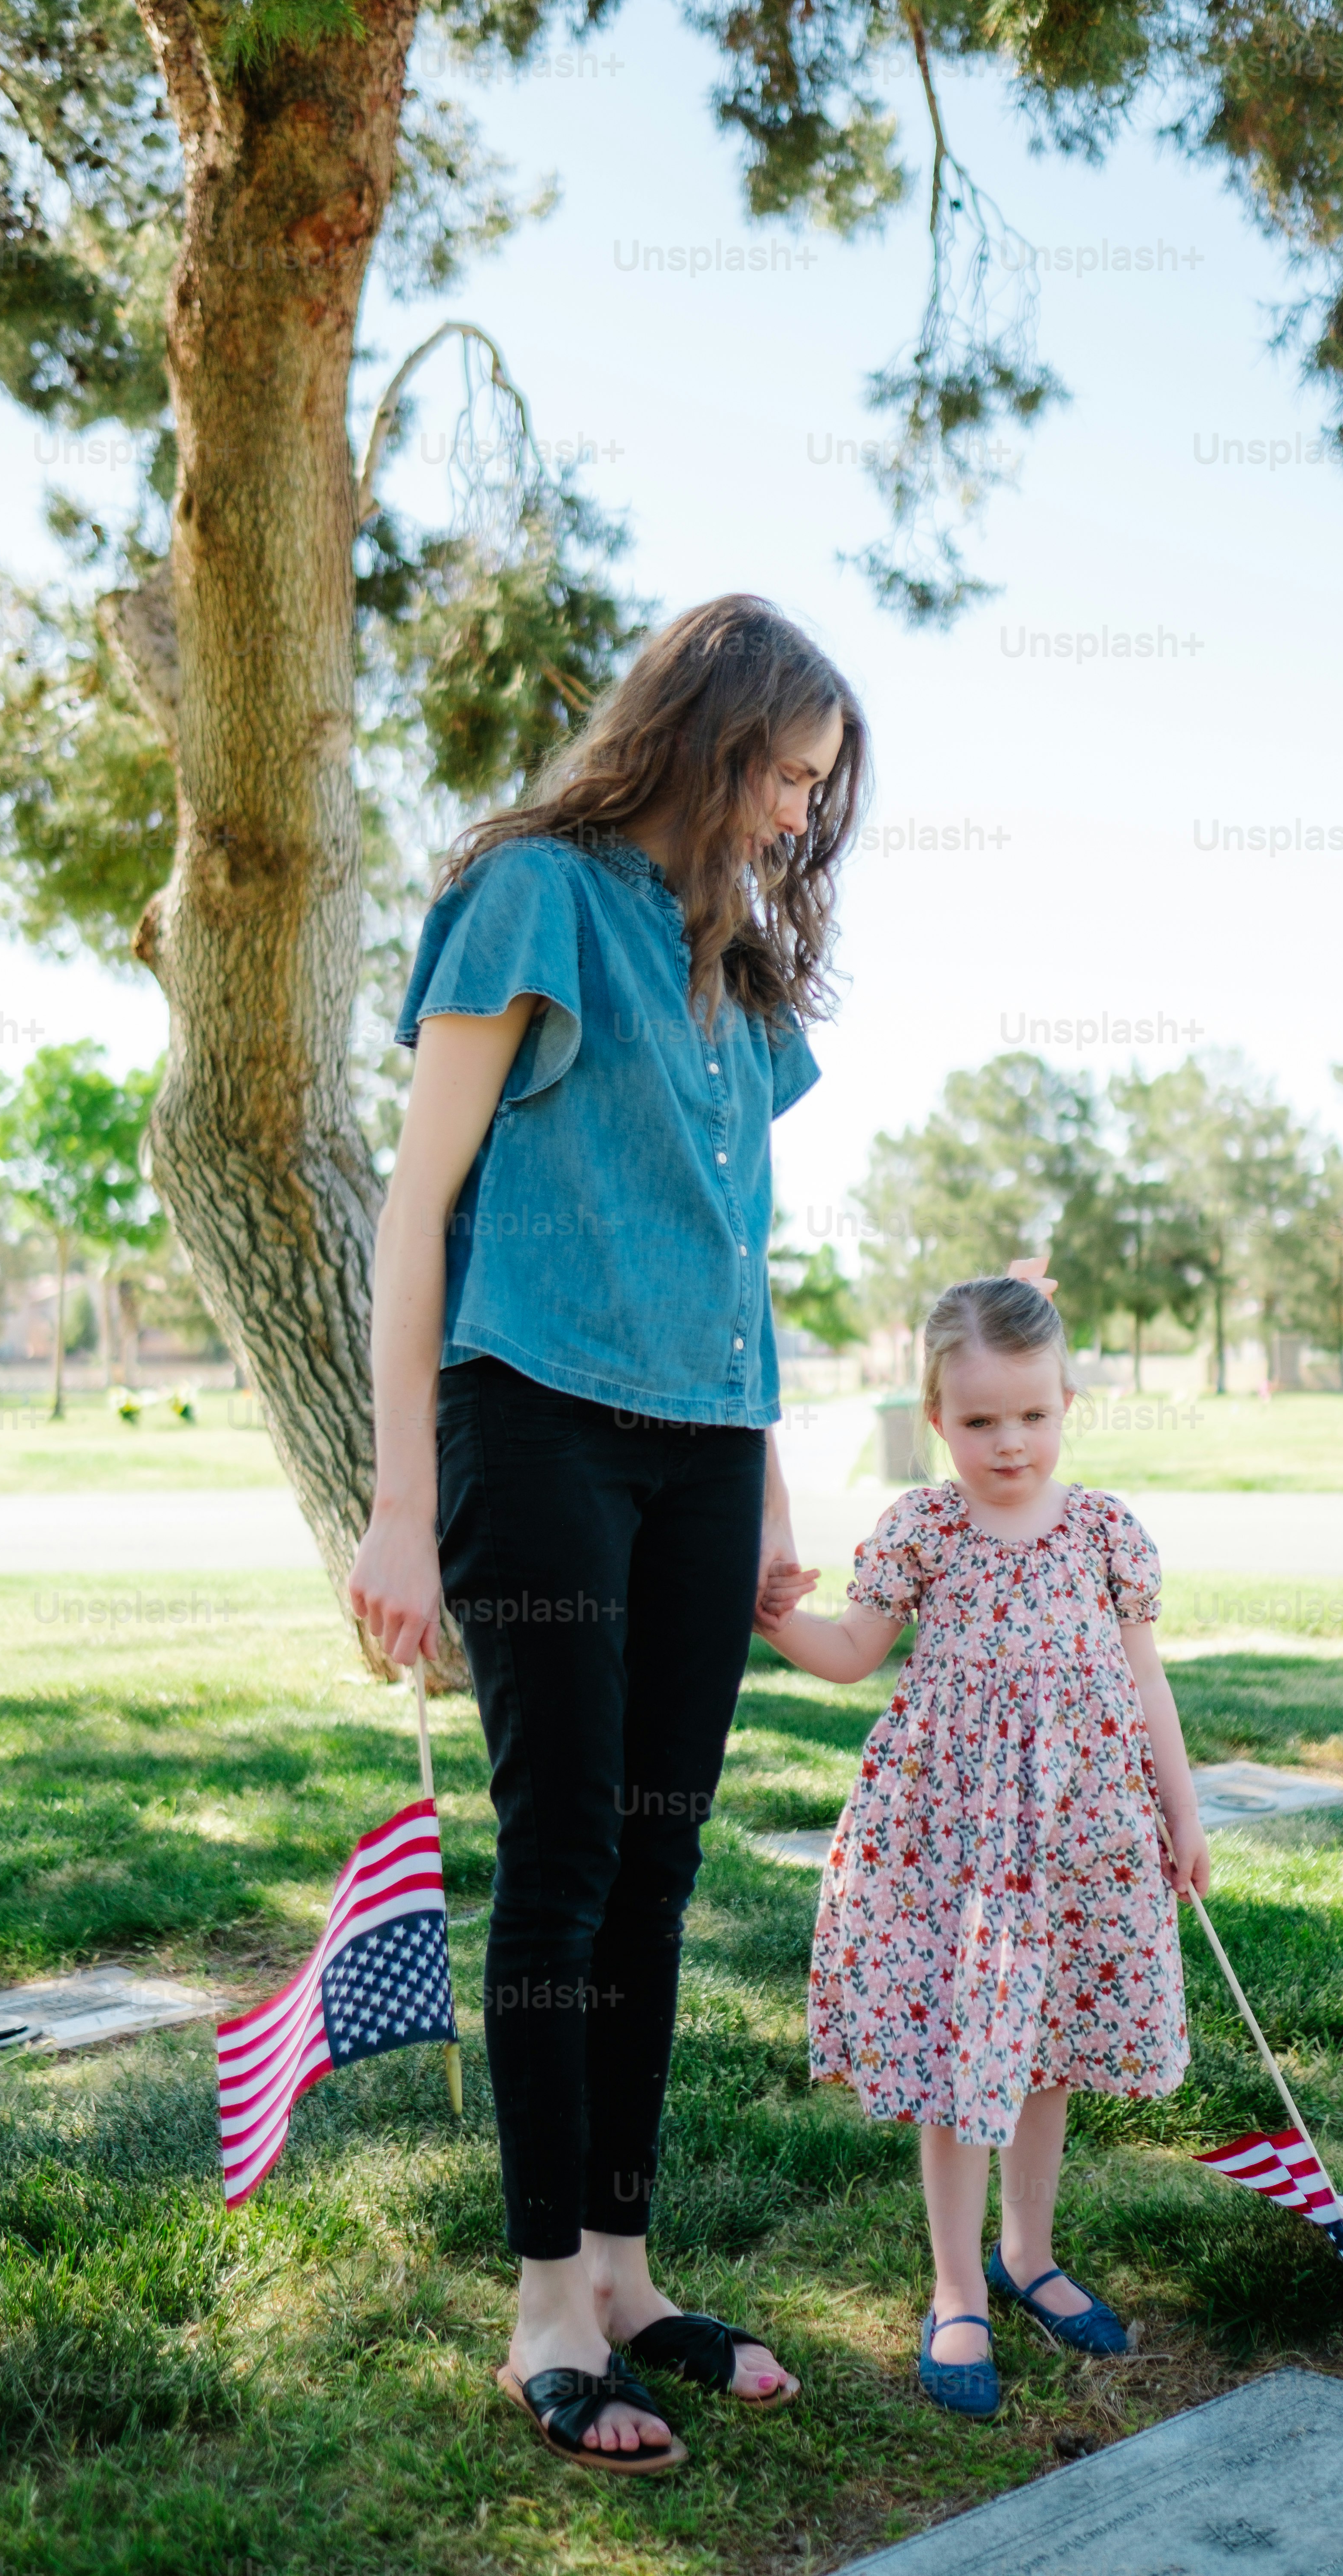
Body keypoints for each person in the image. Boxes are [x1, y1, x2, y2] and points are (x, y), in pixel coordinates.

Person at [348, 595, 868, 2474]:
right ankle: (545, 2305)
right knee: (562, 1860)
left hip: (704, 1452)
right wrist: (400, 1504)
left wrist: (774, 1486)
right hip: (536, 1421)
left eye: (823, 792)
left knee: (657, 1866)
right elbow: (416, 1213)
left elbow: (736, 1249)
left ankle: (633, 2275)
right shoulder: (534, 897)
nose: (802, 819)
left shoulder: (735, 964)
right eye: (788, 776)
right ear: (707, 730)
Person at [754, 1264, 1208, 2416]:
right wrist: (772, 1617)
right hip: (951, 1845)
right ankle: (958, 2285)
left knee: (1046, 2046)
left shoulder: (1107, 1533)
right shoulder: (927, 1527)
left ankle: (1028, 2253)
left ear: (1068, 1403)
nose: (1011, 1444)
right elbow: (857, 1650)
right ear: (935, 1420)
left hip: (1079, 1836)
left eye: (1034, 1415)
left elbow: (1144, 1680)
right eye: (979, 1421)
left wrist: (1182, 1811)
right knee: (963, 2055)